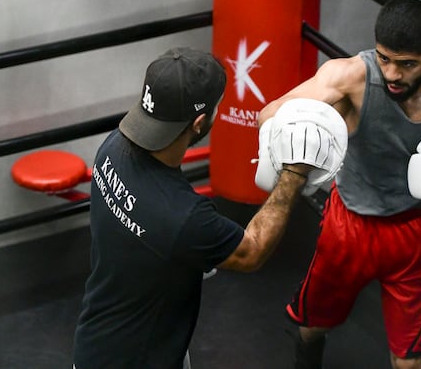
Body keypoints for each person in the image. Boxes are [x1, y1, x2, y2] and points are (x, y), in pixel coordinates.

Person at [258, 0, 421, 369]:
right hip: (350, 223)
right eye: (384, 58)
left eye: (407, 64)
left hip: (417, 232)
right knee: (313, 326)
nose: (392, 74)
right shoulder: (349, 76)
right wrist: (289, 136)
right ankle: (307, 357)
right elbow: (270, 114)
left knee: (410, 358)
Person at [72, 47, 322, 369]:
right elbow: (251, 251)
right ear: (200, 122)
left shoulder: (112, 147)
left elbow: (144, 222)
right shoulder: (184, 218)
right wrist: (294, 173)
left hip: (98, 342)